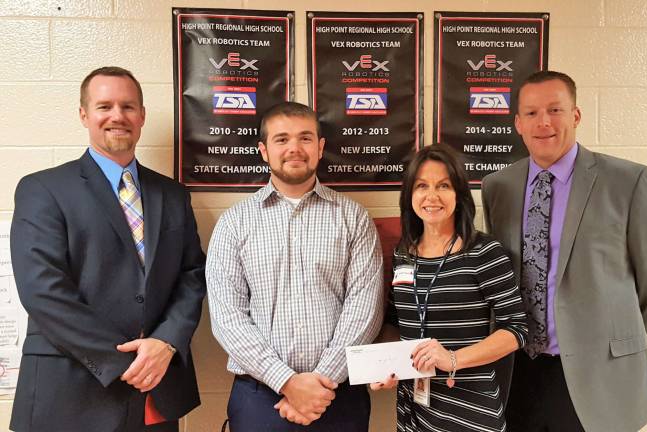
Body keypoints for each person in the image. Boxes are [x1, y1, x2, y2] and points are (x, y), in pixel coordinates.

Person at [9, 66, 207, 432]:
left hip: (155, 389)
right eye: (104, 106)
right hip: (69, 394)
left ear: (142, 115)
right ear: (84, 114)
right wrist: (124, 361)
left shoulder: (173, 194)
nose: (118, 116)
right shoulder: (43, 189)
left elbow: (192, 275)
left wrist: (166, 341)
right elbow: (42, 291)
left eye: (128, 106)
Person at [481, 70, 647, 432]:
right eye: (531, 113)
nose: (544, 122)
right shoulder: (498, 187)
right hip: (519, 373)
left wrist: (614, 335)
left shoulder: (629, 182)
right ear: (518, 123)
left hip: (597, 372)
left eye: (555, 110)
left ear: (576, 115)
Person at [205, 101, 385, 431]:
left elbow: (364, 310)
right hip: (260, 396)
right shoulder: (234, 223)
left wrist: (320, 385)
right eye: (281, 139)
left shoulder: (353, 218)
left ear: (320, 148)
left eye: (305, 138)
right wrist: (288, 383)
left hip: (338, 395)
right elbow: (227, 317)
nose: (294, 149)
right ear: (263, 150)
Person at [371, 144, 529, 432]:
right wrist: (385, 363)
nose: (431, 196)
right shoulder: (403, 254)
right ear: (410, 196)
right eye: (422, 186)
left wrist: (453, 359)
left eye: (443, 185)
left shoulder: (483, 252)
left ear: (459, 194)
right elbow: (396, 321)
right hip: (413, 406)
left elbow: (516, 329)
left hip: (468, 407)